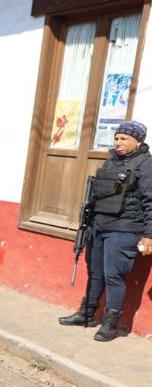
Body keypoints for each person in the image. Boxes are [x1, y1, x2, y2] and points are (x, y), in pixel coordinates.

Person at [58, 120, 152, 341]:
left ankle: (111, 324)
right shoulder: (111, 162)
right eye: (117, 138)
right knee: (95, 273)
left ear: (138, 141)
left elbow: (151, 201)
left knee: (113, 276)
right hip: (99, 226)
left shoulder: (146, 164)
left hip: (125, 229)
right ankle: (87, 314)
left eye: (124, 139)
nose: (118, 142)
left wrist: (149, 234)